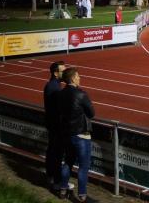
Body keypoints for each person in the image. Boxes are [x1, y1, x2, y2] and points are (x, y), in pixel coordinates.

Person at [59, 67, 95, 202]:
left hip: (67, 134)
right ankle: (82, 196)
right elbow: (92, 113)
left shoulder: (61, 94)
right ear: (73, 78)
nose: (80, 78)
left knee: (68, 162)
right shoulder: (81, 94)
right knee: (83, 167)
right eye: (78, 76)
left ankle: (62, 190)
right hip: (81, 135)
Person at [43, 61, 71, 191]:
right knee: (57, 153)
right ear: (56, 73)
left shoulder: (54, 85)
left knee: (53, 151)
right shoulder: (54, 87)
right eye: (63, 71)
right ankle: (57, 181)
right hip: (56, 126)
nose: (65, 73)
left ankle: (51, 177)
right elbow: (58, 109)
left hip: (53, 124)